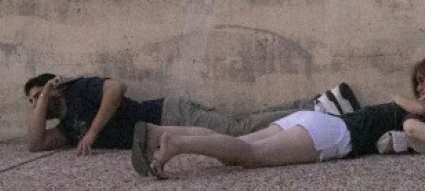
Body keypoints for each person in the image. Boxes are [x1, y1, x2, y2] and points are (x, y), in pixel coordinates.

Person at [131, 102, 425, 179]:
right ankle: (175, 147)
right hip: (330, 135)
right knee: (250, 154)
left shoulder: (395, 104)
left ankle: (162, 134)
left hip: (312, 120)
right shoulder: (407, 115)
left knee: (236, 143)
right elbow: (414, 131)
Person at [23, 73, 359, 154]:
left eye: (39, 95)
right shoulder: (67, 129)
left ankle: (319, 107)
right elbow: (35, 144)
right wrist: (40, 103)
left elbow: (117, 87)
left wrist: (94, 132)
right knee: (242, 123)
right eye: (33, 102)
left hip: (170, 113)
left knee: (238, 127)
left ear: (56, 87)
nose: (38, 103)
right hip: (165, 128)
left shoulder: (81, 89)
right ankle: (317, 104)